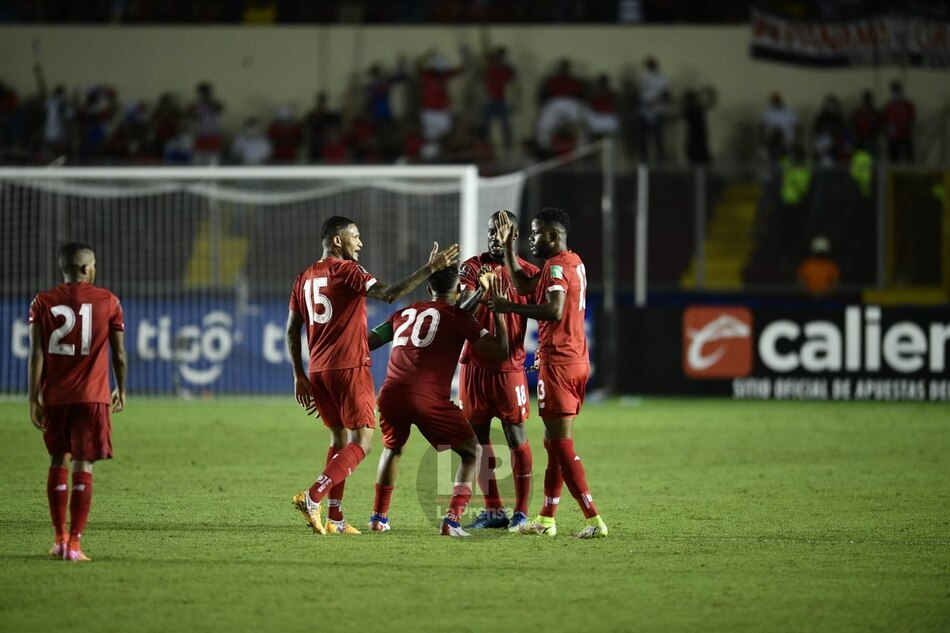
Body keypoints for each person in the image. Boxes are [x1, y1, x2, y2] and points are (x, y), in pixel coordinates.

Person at [287, 216, 460, 535]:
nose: (360, 243)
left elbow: (291, 330)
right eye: (355, 236)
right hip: (349, 367)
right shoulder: (348, 271)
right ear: (337, 241)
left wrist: (299, 375)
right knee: (363, 443)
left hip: (318, 370)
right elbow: (391, 293)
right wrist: (430, 270)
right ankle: (314, 497)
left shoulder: (303, 277)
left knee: (339, 439)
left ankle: (335, 519)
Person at [489, 208, 608, 539]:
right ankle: (546, 518)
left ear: (554, 236)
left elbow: (553, 310)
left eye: (536, 232)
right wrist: (509, 248)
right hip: (576, 361)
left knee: (560, 443)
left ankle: (593, 519)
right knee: (554, 442)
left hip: (559, 363)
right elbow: (525, 285)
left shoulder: (555, 267)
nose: (531, 237)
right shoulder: (573, 261)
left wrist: (508, 307)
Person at [367, 267, 509, 537]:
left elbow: (369, 341)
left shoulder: (403, 313)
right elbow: (499, 351)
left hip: (390, 394)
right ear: (458, 291)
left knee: (392, 450)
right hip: (428, 399)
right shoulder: (459, 317)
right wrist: (498, 309)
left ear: (429, 290)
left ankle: (377, 517)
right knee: (473, 453)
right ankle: (452, 520)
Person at [28, 242, 127, 562]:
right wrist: (121, 389)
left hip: (56, 399)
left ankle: (58, 539)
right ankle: (75, 544)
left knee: (58, 460)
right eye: (94, 264)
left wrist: (33, 397)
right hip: (92, 398)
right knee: (83, 465)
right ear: (86, 268)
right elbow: (120, 355)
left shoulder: (42, 302)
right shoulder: (108, 301)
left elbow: (36, 354)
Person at [457, 210, 539, 532]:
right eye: (491, 230)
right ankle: (493, 511)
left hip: (509, 369)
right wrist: (479, 290)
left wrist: (542, 351)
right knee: (475, 441)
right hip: (474, 367)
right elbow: (459, 309)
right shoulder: (472, 268)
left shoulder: (527, 274)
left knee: (516, 436)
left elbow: (545, 317)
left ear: (514, 235)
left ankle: (520, 512)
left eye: (501, 231)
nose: (494, 236)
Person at [636, 56, 670, 164]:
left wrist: (655, 100)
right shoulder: (642, 77)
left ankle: (659, 163)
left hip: (657, 110)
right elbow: (637, 94)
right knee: (643, 139)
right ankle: (643, 162)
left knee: (658, 139)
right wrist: (645, 103)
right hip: (644, 111)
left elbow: (666, 93)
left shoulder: (661, 77)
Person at [882, 80, 915, 164]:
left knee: (909, 158)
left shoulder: (907, 105)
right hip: (893, 137)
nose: (896, 92)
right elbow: (885, 120)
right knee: (893, 159)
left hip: (905, 135)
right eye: (894, 90)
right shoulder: (889, 106)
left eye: (898, 90)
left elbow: (912, 118)